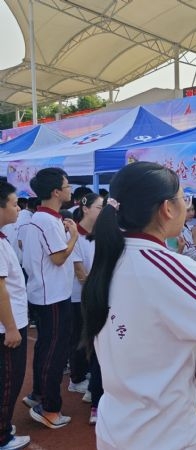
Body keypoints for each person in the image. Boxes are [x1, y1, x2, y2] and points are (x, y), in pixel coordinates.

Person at [82, 161, 196, 449]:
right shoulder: (168, 267)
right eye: (184, 199)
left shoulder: (108, 261)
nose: (187, 207)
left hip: (119, 427)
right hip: (170, 429)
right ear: (167, 208)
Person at [21, 167, 78, 429]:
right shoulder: (47, 221)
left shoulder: (42, 218)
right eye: (67, 186)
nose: (70, 190)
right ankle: (49, 407)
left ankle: (38, 395)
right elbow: (58, 258)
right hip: (51, 296)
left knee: (46, 347)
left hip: (46, 293)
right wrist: (74, 237)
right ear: (56, 192)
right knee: (54, 351)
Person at [0, 181, 32, 450]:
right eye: (13, 203)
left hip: (10, 321)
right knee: (9, 381)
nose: (19, 208)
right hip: (7, 325)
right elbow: (0, 290)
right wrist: (11, 327)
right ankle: (2, 436)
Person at [66, 193, 104, 404]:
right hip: (78, 295)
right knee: (79, 338)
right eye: (99, 207)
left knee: (90, 337)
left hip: (92, 294)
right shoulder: (75, 236)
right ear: (85, 208)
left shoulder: (96, 234)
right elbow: (80, 273)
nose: (102, 211)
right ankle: (76, 378)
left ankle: (87, 374)